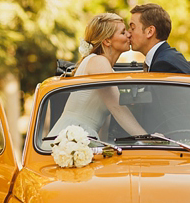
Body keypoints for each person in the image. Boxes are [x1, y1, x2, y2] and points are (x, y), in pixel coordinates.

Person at [46, 13, 146, 141]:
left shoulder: (103, 66)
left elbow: (105, 124)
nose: (129, 35)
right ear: (107, 41)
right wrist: (146, 138)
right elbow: (117, 107)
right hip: (73, 135)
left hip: (84, 136)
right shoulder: (98, 61)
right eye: (123, 32)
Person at [129, 3, 190, 74]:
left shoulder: (164, 65)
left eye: (132, 28)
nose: (128, 33)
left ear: (150, 31)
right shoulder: (167, 57)